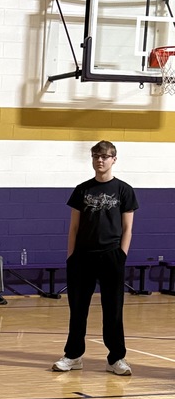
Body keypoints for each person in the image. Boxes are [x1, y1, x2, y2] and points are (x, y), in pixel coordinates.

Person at [52, 141, 138, 376]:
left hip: (111, 257)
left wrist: (121, 255)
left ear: (114, 159)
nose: (99, 160)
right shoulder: (82, 189)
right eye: (96, 156)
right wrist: (71, 257)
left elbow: (127, 228)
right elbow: (74, 227)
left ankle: (116, 358)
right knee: (78, 309)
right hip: (82, 258)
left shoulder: (124, 190)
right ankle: (73, 355)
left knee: (113, 310)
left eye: (104, 156)